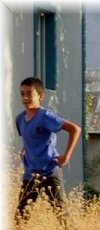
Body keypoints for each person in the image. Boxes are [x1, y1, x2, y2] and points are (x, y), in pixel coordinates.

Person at [15, 76, 81, 216]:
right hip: (30, 175)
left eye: (29, 94)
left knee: (62, 216)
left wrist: (67, 155)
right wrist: (25, 149)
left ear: (40, 96)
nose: (25, 98)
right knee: (20, 218)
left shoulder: (45, 116)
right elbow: (32, 137)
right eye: (22, 94)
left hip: (49, 173)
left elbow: (75, 129)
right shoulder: (20, 119)